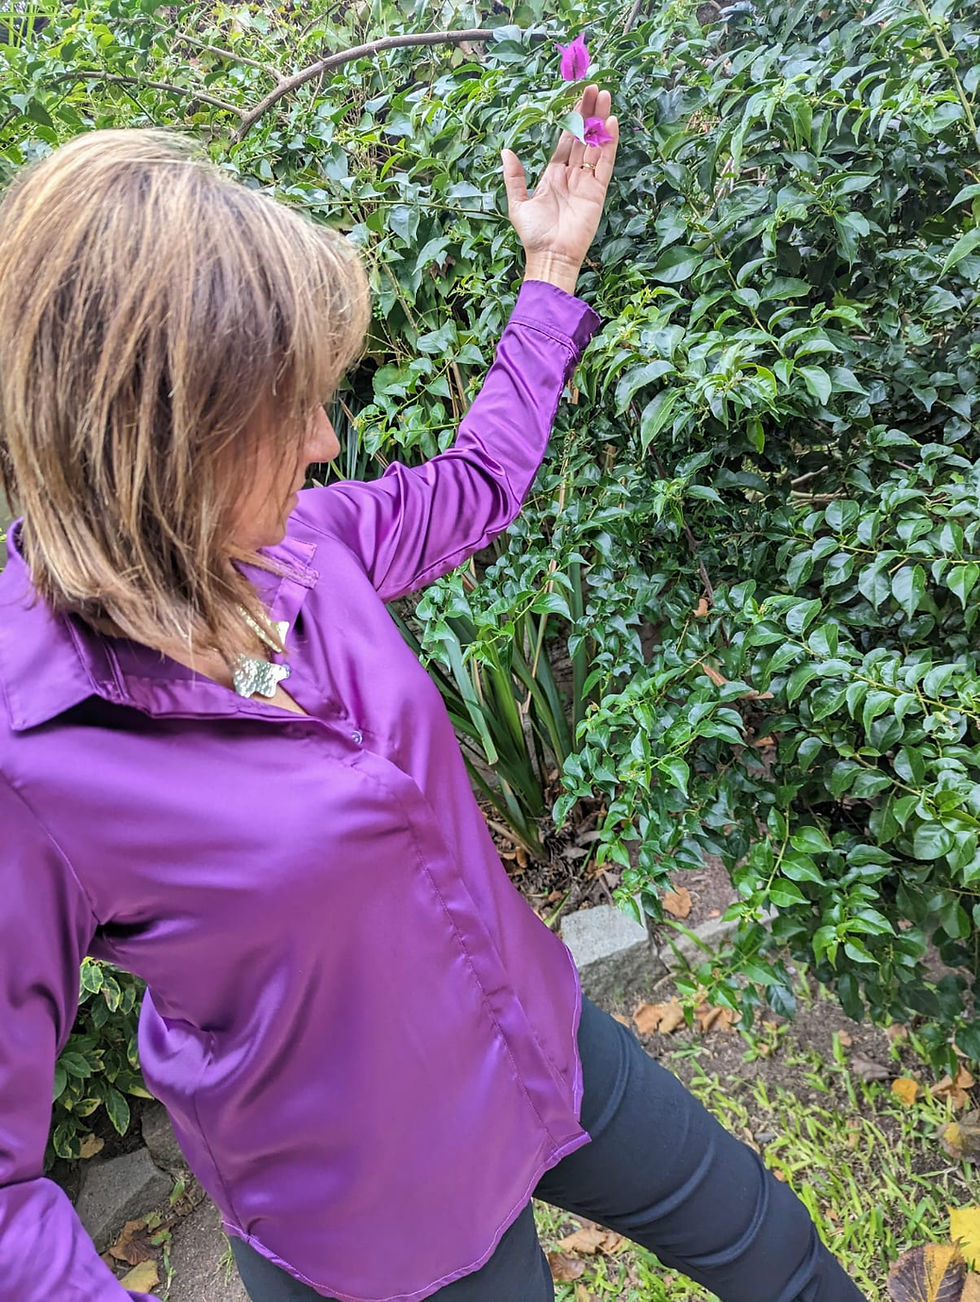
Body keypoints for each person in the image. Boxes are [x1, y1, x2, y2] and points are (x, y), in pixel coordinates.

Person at [0, 87, 864, 1302]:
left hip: (537, 1042)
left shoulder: (298, 544)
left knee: (772, 1248)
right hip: (383, 1214)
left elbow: (475, 482)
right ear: (159, 440)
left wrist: (551, 269)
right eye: (287, 410)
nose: (324, 441)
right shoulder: (30, 757)